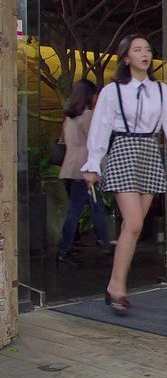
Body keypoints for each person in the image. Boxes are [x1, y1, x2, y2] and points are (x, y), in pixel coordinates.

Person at [82, 33, 167, 314]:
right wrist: (92, 164)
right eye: (137, 50)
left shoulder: (161, 90)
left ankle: (114, 286)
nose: (144, 54)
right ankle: (117, 288)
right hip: (124, 151)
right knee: (135, 223)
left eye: (147, 50)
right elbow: (100, 127)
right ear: (126, 57)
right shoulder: (112, 91)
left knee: (132, 228)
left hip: (149, 153)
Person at [57, 79, 112, 268]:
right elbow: (95, 143)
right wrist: (105, 166)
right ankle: (65, 250)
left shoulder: (69, 117)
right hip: (84, 170)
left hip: (69, 168)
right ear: (89, 95)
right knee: (78, 210)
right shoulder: (88, 116)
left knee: (93, 206)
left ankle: (103, 241)